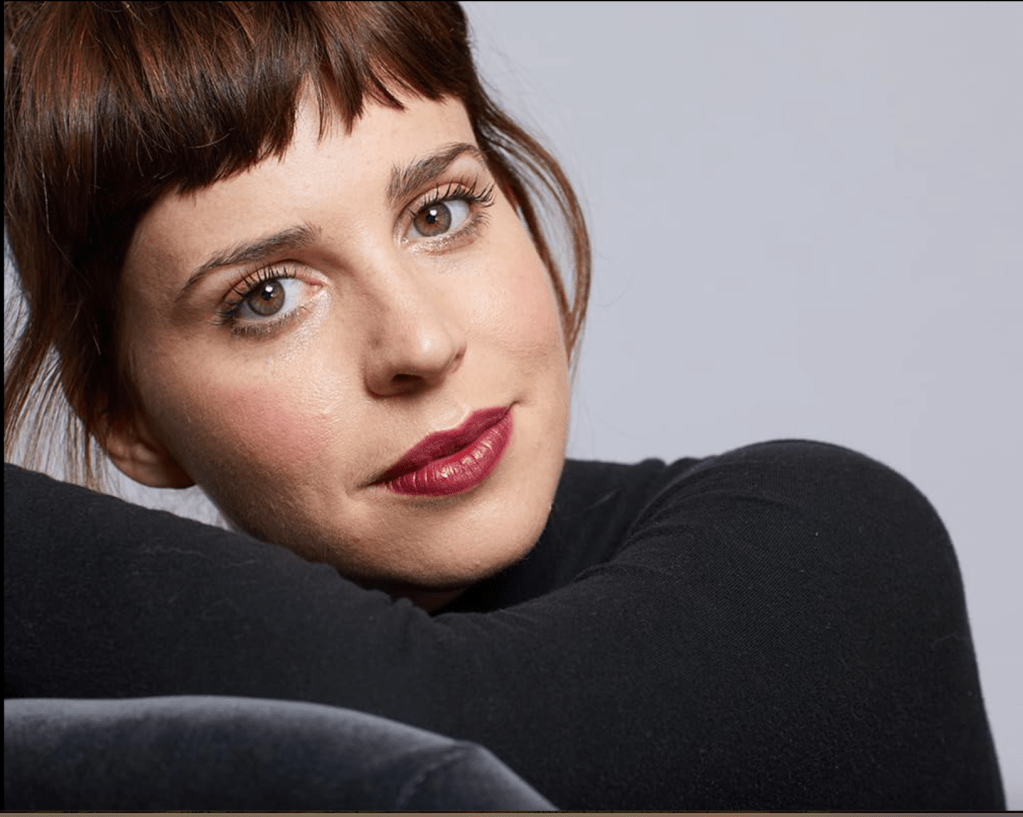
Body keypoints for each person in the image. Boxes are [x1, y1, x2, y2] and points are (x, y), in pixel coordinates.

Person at [3, 1, 1004, 810]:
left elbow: (422, 743)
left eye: (439, 212)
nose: (421, 344)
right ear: (124, 415)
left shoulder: (836, 548)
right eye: (266, 295)